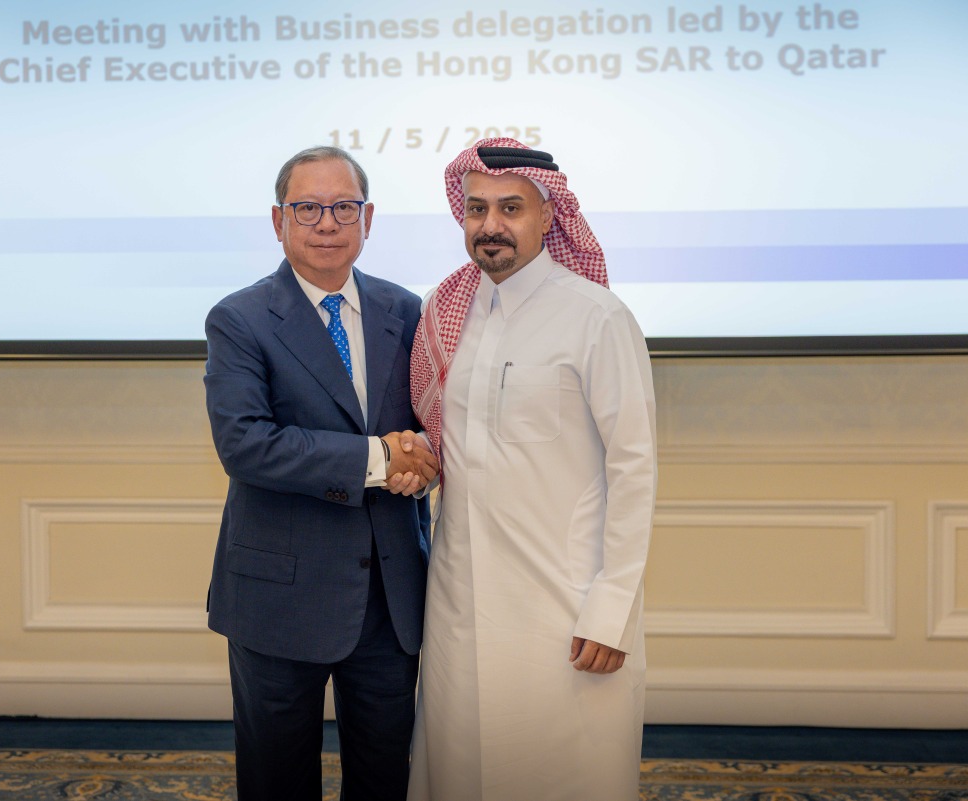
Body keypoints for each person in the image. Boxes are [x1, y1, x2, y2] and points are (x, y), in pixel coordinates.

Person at [406, 139, 658, 801]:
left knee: (562, 772)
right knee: (461, 770)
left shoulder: (597, 317)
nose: (491, 224)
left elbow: (635, 469)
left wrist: (612, 609)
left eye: (511, 207)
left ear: (548, 216)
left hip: (563, 605)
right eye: (477, 208)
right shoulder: (445, 312)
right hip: (460, 602)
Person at [203, 145, 437, 801]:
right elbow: (245, 444)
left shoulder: (407, 311)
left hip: (390, 604)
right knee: (279, 783)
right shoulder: (240, 318)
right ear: (278, 220)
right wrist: (379, 459)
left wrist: (422, 457)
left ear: (368, 218)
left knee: (384, 779)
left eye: (343, 207)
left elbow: (432, 426)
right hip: (281, 599)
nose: (326, 223)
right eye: (307, 208)